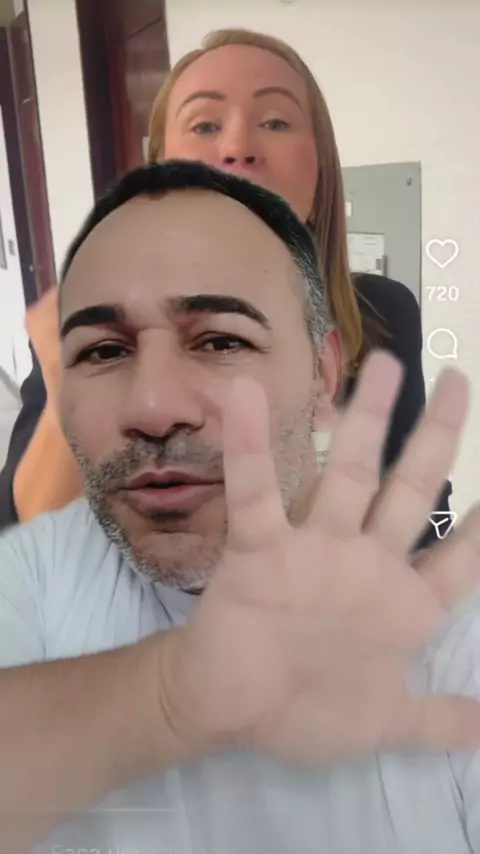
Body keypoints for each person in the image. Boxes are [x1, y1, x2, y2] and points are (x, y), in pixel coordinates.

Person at [1, 161, 480, 854]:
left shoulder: (451, 633)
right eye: (103, 351)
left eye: (222, 340)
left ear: (323, 374)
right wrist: (171, 696)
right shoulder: (33, 578)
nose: (153, 407)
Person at [0, 28, 452, 544]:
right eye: (205, 124)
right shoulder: (89, 321)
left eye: (275, 121)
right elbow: (26, 542)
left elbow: (419, 503)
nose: (237, 148)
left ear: (320, 168)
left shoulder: (386, 310)